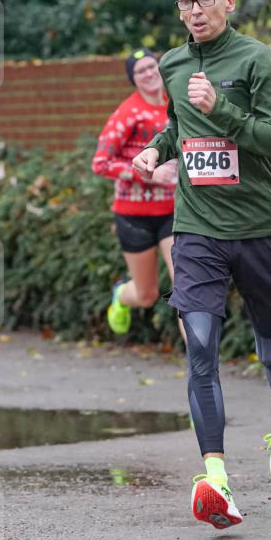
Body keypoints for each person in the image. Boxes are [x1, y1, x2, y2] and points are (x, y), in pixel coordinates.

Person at [132, 0, 271, 530]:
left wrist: (222, 110)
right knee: (200, 347)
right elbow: (176, 125)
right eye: (185, 3)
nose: (194, 11)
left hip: (260, 230)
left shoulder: (259, 61)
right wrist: (157, 150)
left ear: (229, 2)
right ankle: (216, 480)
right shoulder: (173, 63)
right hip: (197, 229)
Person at [92, 48, 184, 343]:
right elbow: (101, 163)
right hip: (134, 216)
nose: (148, 73)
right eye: (140, 71)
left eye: (151, 66)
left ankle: (200, 363)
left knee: (186, 286)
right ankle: (121, 293)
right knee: (147, 295)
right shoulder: (127, 114)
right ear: (133, 79)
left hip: (173, 211)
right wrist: (149, 174)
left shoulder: (175, 105)